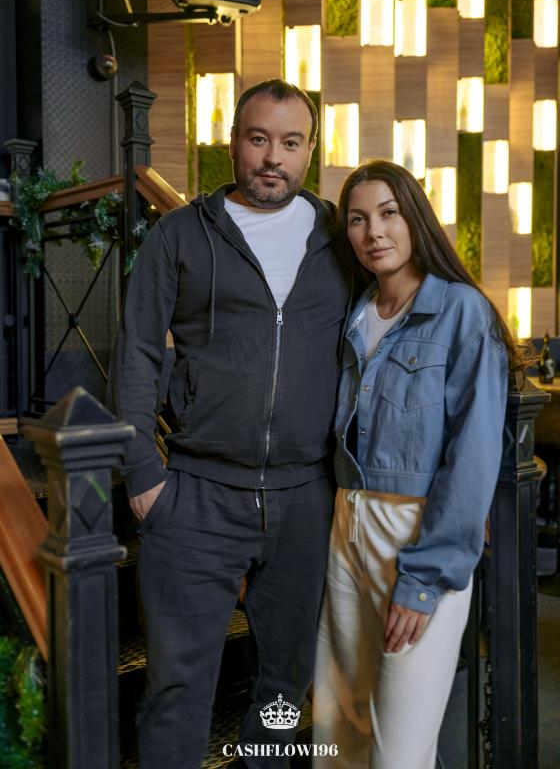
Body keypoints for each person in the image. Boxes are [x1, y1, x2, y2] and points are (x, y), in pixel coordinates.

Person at [107, 79, 350, 768]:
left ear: (310, 151)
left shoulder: (340, 236)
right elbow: (137, 352)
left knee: (284, 685)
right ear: (233, 141)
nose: (273, 157)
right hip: (197, 496)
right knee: (177, 687)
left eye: (290, 142)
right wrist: (143, 476)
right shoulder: (181, 234)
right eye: (258, 138)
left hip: (306, 497)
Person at [312, 159, 518, 769]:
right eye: (357, 220)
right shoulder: (355, 314)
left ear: (415, 219)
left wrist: (426, 577)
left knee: (398, 750)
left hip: (418, 536)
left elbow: (472, 458)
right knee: (337, 733)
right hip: (346, 527)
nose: (373, 231)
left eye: (388, 214)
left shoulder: (462, 311)